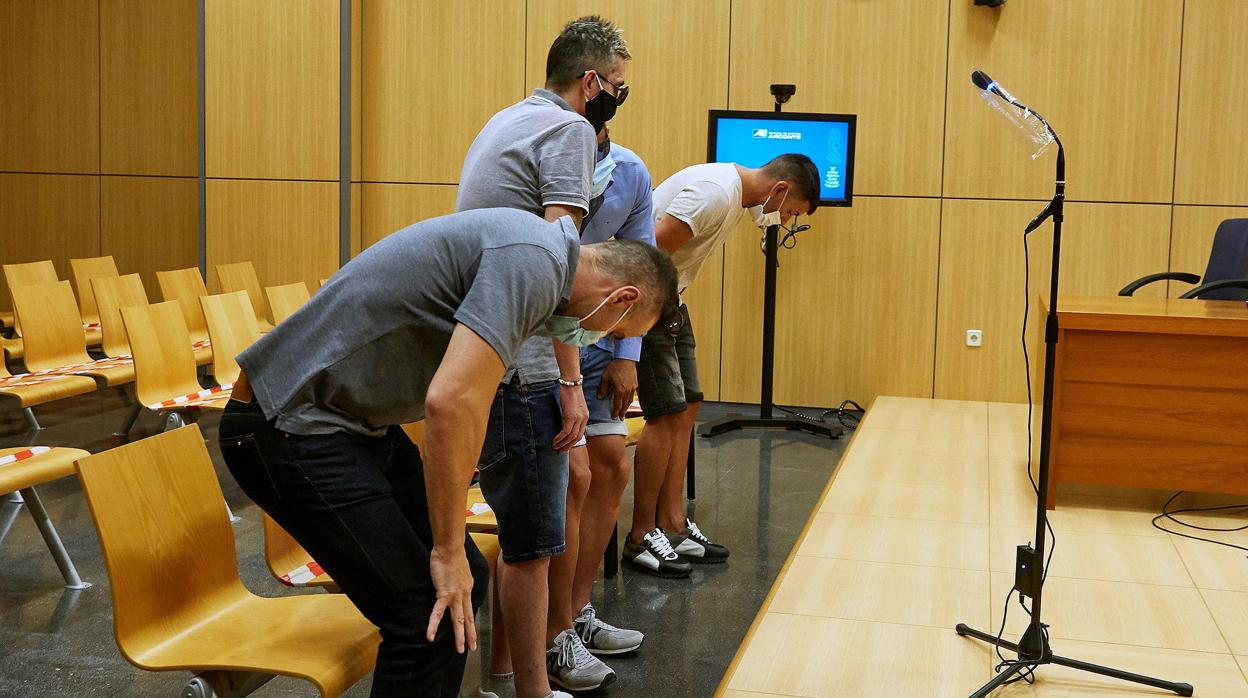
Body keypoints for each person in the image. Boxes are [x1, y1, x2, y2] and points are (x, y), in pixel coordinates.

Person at [217, 207, 677, 698]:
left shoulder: (540, 259)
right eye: (618, 332)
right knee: (426, 613)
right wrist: (446, 549)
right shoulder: (533, 263)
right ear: (622, 297)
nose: (602, 340)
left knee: (463, 585)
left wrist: (455, 553)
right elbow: (450, 402)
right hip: (286, 424)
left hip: (347, 425)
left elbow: (467, 400)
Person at [455, 15, 633, 698]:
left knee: (522, 532)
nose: (619, 95)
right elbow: (561, 268)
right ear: (590, 83)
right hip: (523, 360)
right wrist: (569, 381)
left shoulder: (509, 119)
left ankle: (505, 676)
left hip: (486, 351)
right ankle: (533, 689)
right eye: (616, 85)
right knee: (531, 544)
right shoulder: (568, 131)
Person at [625, 154, 821, 577]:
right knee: (664, 415)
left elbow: (760, 214)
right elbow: (643, 254)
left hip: (671, 299)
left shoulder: (742, 191)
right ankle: (641, 536)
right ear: (780, 190)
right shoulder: (715, 194)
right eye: (788, 212)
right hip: (649, 302)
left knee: (690, 402)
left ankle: (672, 523)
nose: (785, 221)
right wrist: (635, 328)